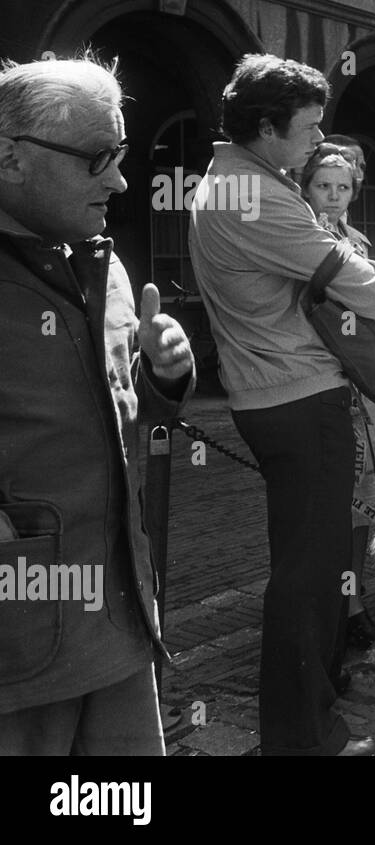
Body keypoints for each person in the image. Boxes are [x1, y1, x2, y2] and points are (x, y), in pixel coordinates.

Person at [189, 53, 375, 757]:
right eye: (307, 127)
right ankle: (306, 738)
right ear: (266, 128)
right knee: (311, 574)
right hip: (297, 396)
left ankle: (313, 709)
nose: (319, 138)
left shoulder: (238, 182)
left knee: (313, 564)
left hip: (274, 394)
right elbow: (344, 270)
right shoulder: (256, 194)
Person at [0, 56, 193, 754]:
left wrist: (162, 374)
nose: (120, 181)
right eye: (96, 159)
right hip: (18, 648)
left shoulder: (104, 264)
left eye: (121, 155)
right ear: (10, 157)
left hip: (118, 621)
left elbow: (122, 412)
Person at [300, 146, 375, 652]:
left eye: (343, 188)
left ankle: (353, 599)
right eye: (323, 186)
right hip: (321, 380)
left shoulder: (356, 242)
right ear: (305, 187)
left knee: (365, 505)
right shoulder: (301, 239)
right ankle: (334, 609)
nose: (334, 196)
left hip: (362, 384)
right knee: (330, 506)